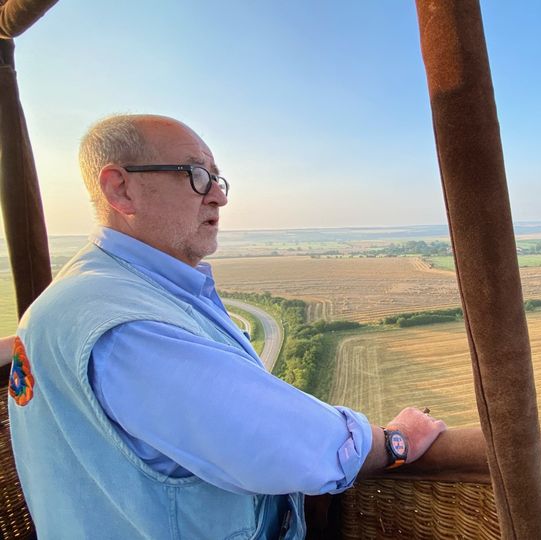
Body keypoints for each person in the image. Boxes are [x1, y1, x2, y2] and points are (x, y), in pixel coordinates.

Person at [7, 114, 446, 539]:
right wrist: (394, 442)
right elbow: (287, 443)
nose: (218, 195)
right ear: (120, 189)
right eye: (197, 174)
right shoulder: (123, 324)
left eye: (219, 179)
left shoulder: (95, 288)